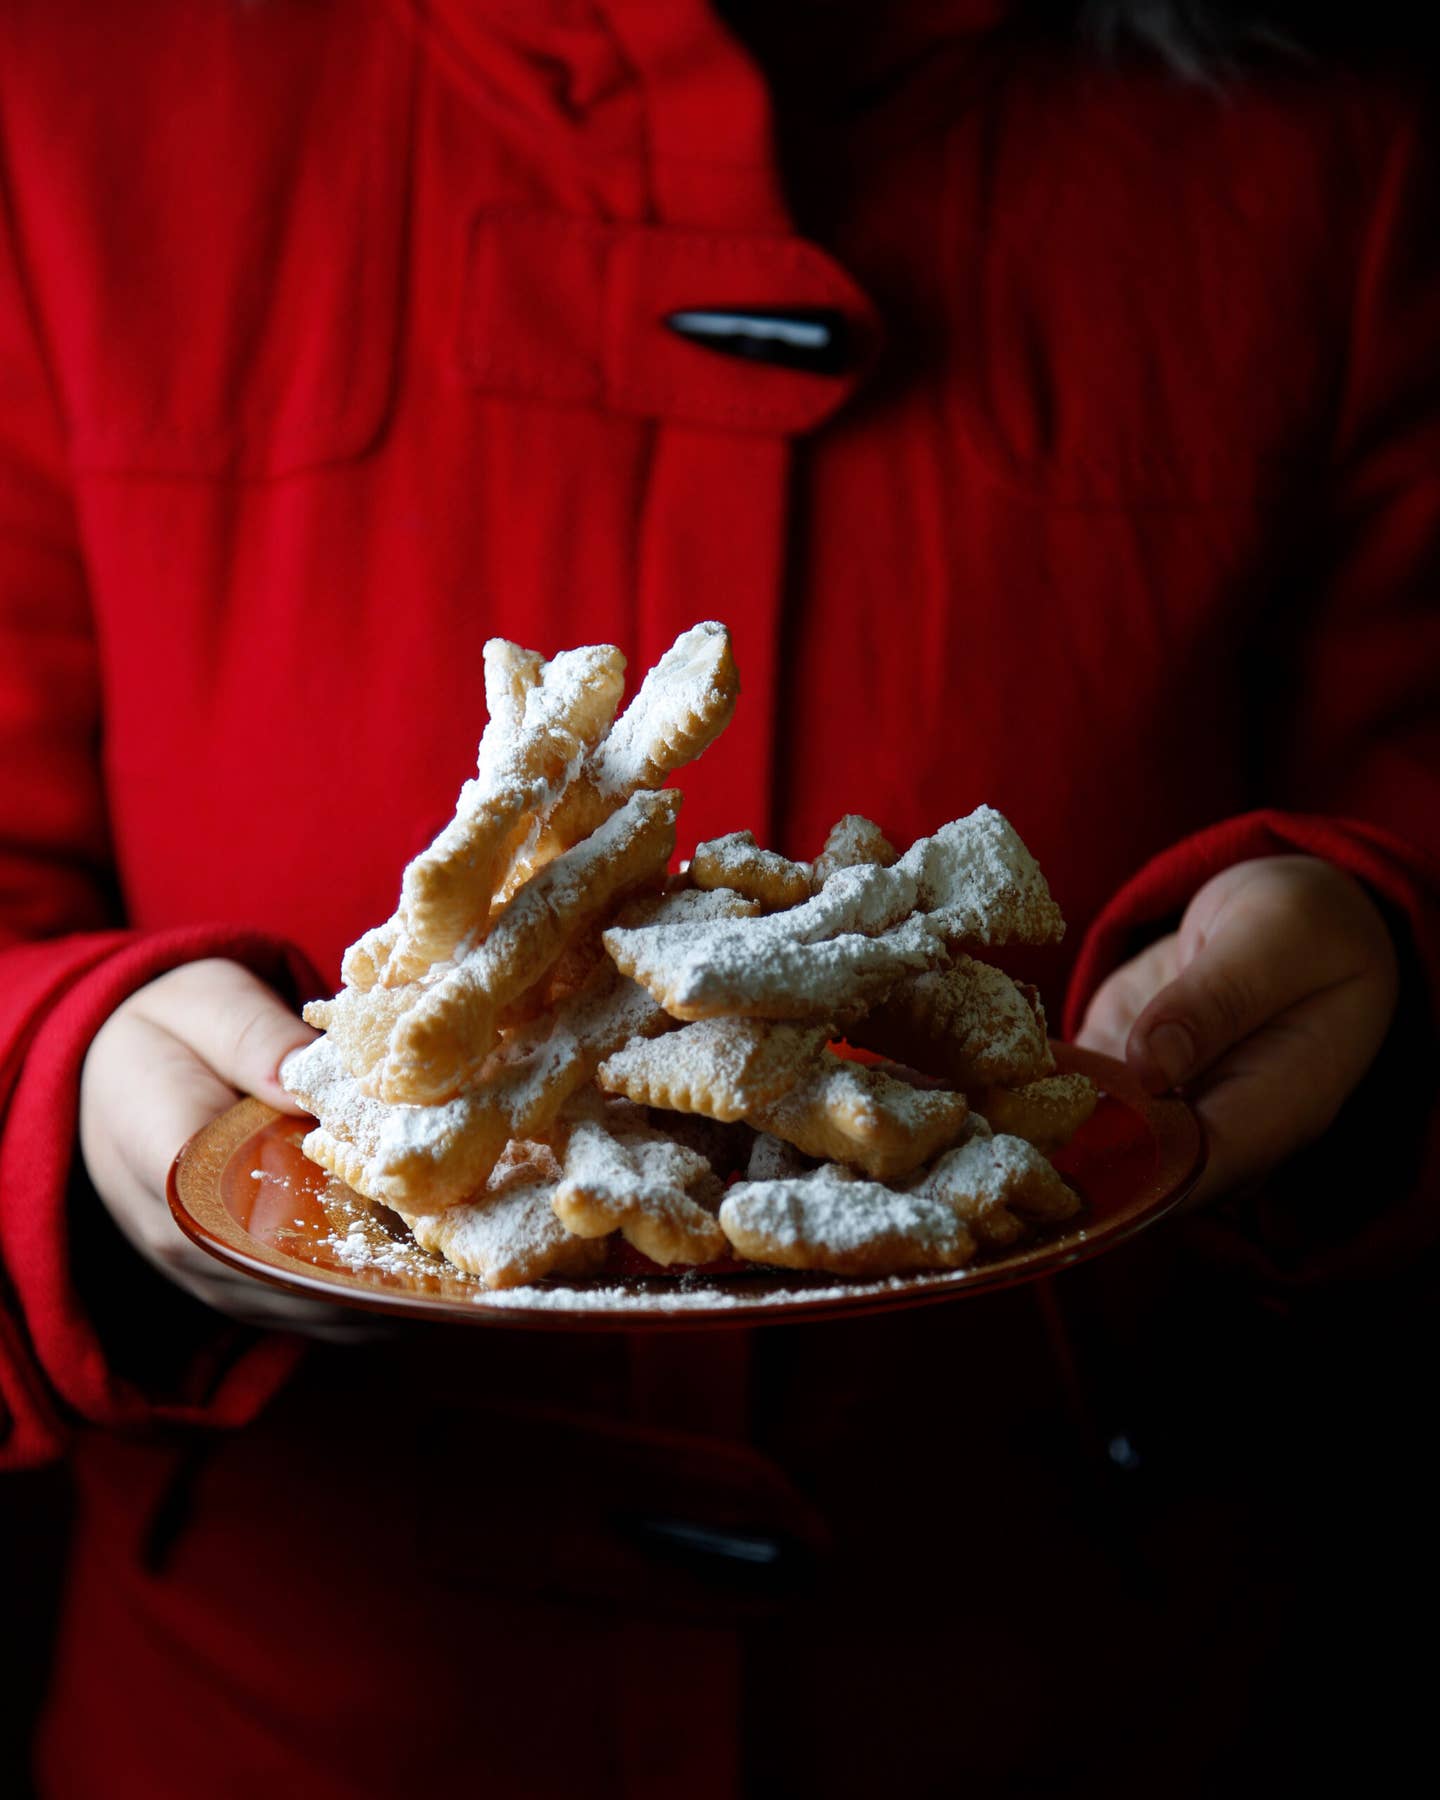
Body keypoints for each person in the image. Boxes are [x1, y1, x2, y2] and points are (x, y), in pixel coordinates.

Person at [2, 0, 1436, 1793]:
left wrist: (1391, 947)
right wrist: (63, 1077)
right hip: (277, 1728)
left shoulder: (1343, 142)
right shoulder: (73, 88)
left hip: (1099, 1707)